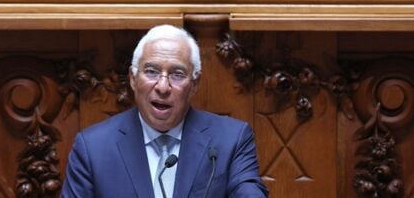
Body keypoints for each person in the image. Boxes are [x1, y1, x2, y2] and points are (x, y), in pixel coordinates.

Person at [61, 24, 268, 197]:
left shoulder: (231, 139)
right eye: (151, 72)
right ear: (133, 79)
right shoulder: (92, 147)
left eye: (177, 74)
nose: (162, 87)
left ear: (194, 84)